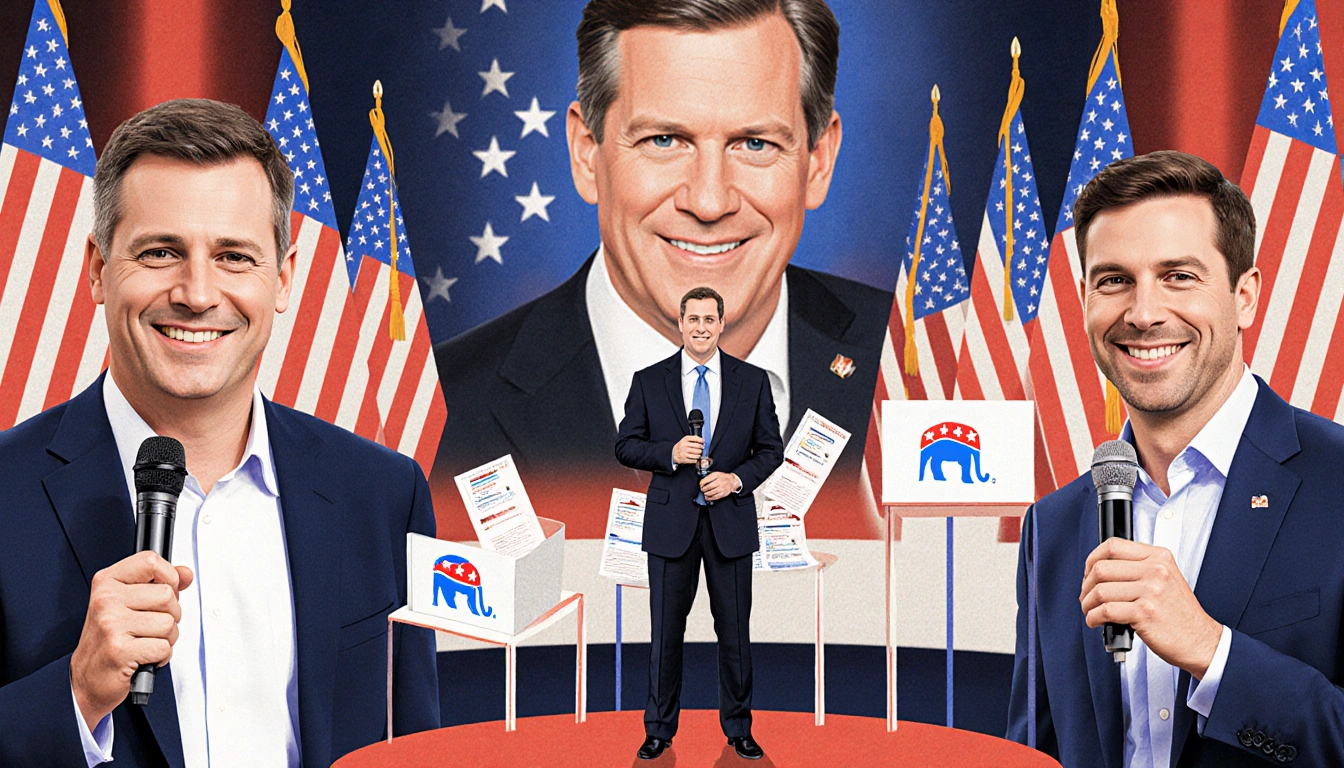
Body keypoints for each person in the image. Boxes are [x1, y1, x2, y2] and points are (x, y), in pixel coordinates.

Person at [0, 99, 439, 767]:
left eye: (234, 256)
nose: (197, 293)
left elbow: (415, 748)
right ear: (97, 268)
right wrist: (76, 693)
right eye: (160, 251)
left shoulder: (383, 494)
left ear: (284, 276)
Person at [433, 0, 890, 541]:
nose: (709, 199)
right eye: (665, 141)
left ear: (818, 161)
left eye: (755, 143)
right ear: (587, 153)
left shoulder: (923, 369)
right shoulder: (434, 412)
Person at [1006, 150, 1344, 766]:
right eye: (1114, 280)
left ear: (1245, 296)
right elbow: (1032, 753)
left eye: (1178, 276)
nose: (1143, 312)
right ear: (1084, 300)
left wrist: (1214, 653)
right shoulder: (1051, 531)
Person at [615, 287, 784, 761]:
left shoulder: (752, 381)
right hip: (672, 526)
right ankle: (659, 730)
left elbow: (772, 450)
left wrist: (735, 480)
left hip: (729, 523)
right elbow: (625, 445)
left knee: (734, 634)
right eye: (694, 319)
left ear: (722, 324)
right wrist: (668, 454)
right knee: (665, 635)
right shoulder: (649, 381)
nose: (702, 328)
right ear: (681, 322)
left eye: (711, 319)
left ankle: (739, 729)